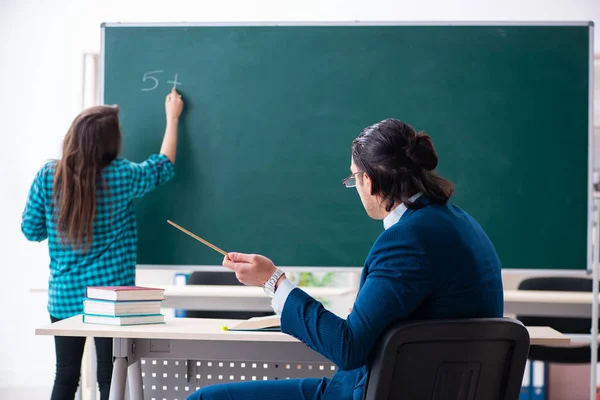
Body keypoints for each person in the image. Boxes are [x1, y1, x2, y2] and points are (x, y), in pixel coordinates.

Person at [187, 117, 504, 400]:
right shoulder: (461, 223)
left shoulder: (407, 241)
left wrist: (272, 281)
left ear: (369, 180)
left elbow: (348, 348)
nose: (356, 188)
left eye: (353, 179)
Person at [21, 89, 184, 400]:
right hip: (112, 300)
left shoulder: (48, 176)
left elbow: (31, 230)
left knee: (65, 375)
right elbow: (163, 166)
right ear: (108, 143)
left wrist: (58, 226)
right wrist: (172, 118)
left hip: (64, 296)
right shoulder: (121, 175)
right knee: (111, 377)